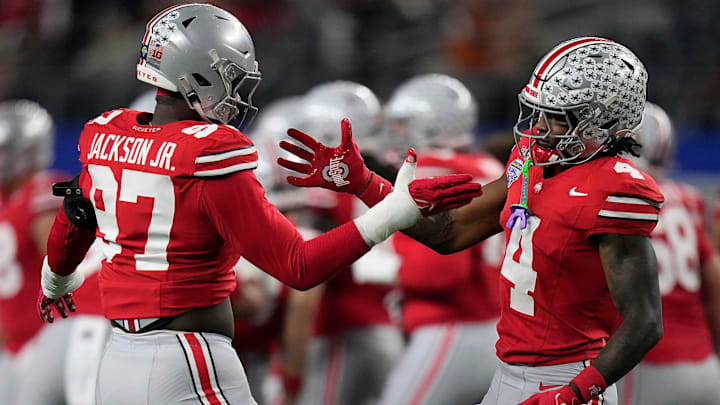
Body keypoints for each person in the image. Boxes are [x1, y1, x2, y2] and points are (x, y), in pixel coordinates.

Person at [36, 4, 482, 405]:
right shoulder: (210, 151)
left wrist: (56, 281)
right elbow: (298, 267)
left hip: (115, 363)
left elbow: (74, 214)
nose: (237, 91)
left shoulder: (106, 134)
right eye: (229, 76)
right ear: (196, 76)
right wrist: (395, 211)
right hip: (186, 359)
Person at [278, 37, 664, 405]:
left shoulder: (614, 189)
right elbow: (451, 231)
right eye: (540, 112)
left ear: (599, 124)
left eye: (556, 118)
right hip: (509, 368)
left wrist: (577, 393)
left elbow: (645, 321)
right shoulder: (531, 164)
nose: (540, 126)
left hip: (565, 377)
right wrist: (363, 182)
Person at [371, 74, 505, 405]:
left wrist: (386, 269)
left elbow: (439, 273)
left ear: (432, 126)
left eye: (403, 125)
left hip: (451, 327)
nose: (394, 134)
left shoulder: (430, 171)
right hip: (496, 327)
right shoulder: (485, 164)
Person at [279, 81, 404, 405]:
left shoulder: (325, 192)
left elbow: (305, 283)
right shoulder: (391, 177)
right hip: (391, 326)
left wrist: (290, 380)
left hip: (345, 330)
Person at [615, 103, 720, 405]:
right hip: (703, 363)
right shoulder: (688, 198)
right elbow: (714, 282)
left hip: (647, 366)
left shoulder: (613, 199)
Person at [0, 100, 66, 404]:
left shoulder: (45, 191)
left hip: (45, 341)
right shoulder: (7, 199)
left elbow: (65, 262)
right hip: (10, 346)